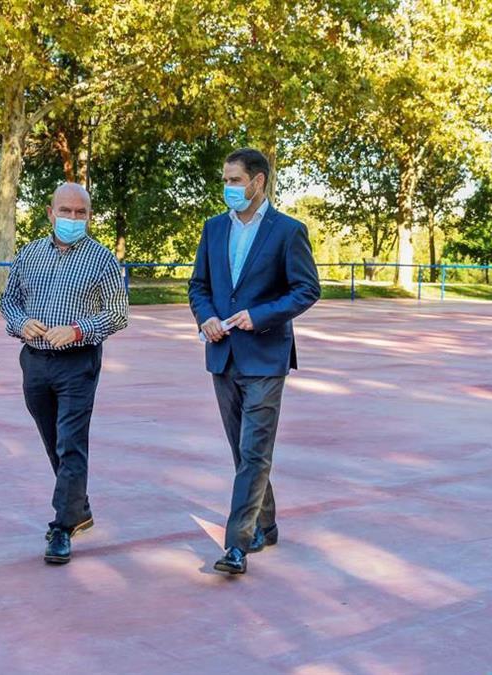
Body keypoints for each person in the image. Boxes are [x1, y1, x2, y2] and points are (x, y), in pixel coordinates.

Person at [188, 148, 321, 575]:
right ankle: (266, 522)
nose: (228, 188)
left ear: (258, 181)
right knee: (243, 451)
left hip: (266, 355)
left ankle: (237, 545)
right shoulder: (212, 230)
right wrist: (205, 316)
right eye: (225, 181)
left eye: (234, 180)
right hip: (222, 354)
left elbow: (306, 289)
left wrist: (260, 316)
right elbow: (199, 285)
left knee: (253, 450)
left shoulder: (288, 231)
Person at [0, 182, 128, 565]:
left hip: (78, 362)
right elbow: (10, 300)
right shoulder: (30, 254)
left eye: (81, 213)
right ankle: (79, 507)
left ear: (89, 216)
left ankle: (61, 526)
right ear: (50, 213)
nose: (73, 218)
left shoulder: (102, 260)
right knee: (53, 437)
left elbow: (118, 313)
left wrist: (77, 330)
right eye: (66, 211)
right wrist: (21, 323)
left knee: (71, 442)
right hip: (34, 361)